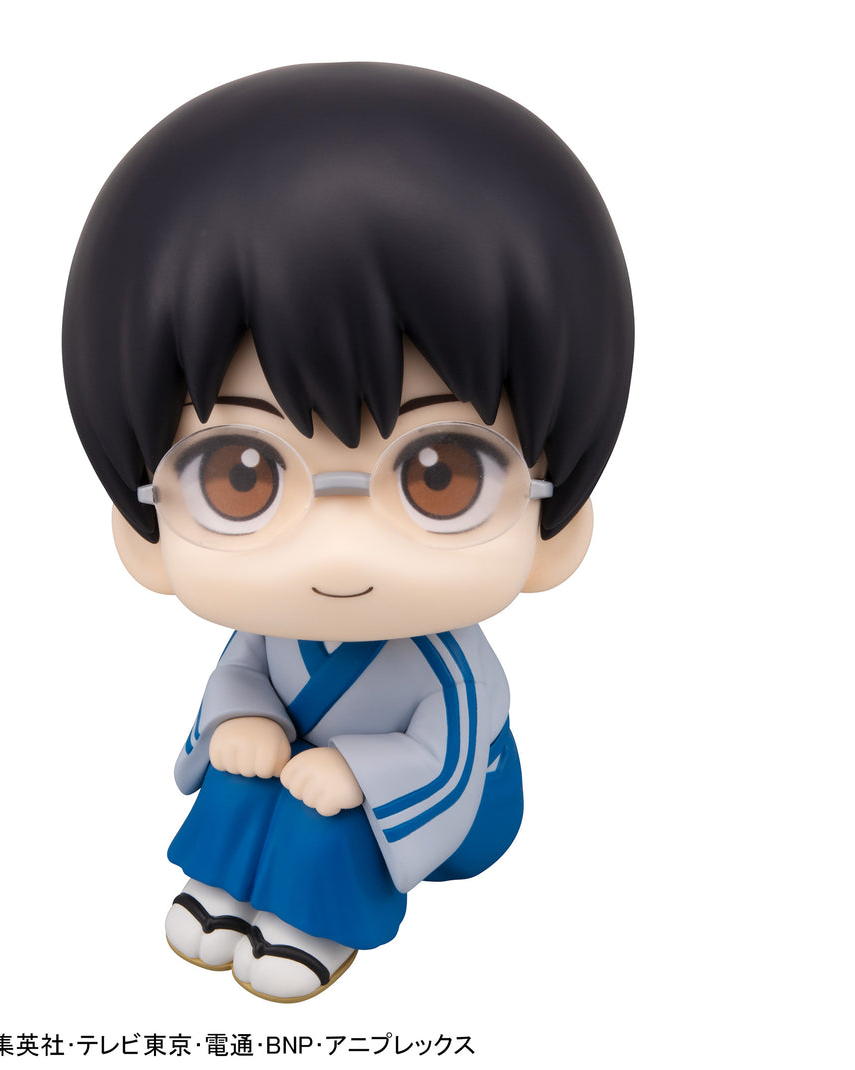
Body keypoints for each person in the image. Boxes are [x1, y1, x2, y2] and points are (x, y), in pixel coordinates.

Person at [62, 62, 633, 1002]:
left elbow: (448, 758)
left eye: (439, 476)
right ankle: (222, 889)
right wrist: (241, 721)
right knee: (247, 760)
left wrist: (360, 771)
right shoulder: (269, 634)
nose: (339, 550)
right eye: (242, 476)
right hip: (307, 780)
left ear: (552, 527)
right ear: (145, 530)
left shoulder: (451, 670)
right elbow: (241, 679)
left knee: (327, 804)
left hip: (445, 815)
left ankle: (315, 922)